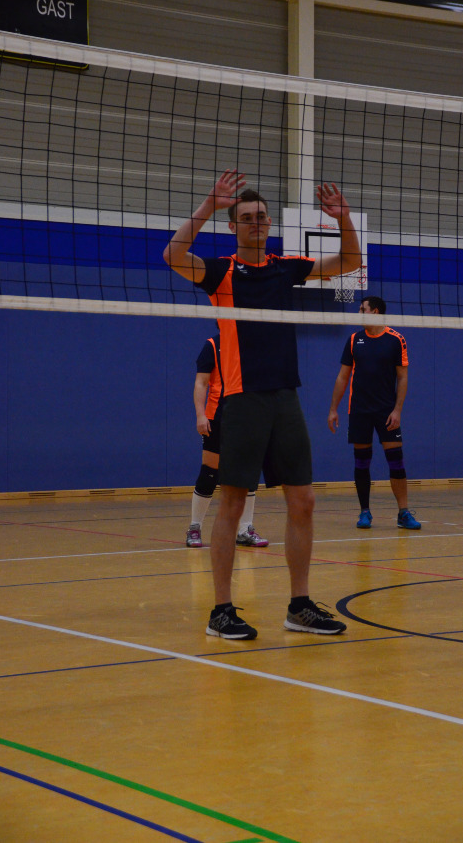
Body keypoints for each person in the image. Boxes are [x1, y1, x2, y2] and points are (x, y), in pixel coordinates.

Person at [164, 168, 362, 639]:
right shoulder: (220, 272)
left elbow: (349, 261)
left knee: (304, 500)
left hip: (284, 397)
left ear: (270, 224)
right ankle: (221, 611)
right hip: (241, 399)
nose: (257, 223)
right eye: (248, 217)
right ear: (233, 226)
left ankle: (299, 607)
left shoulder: (285, 268)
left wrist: (343, 219)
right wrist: (208, 206)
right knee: (232, 503)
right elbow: (173, 256)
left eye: (262, 217)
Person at [327, 295, 421, 530]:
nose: (359, 313)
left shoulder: (396, 339)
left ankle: (403, 513)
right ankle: (365, 512)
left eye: (363, 309)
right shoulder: (353, 340)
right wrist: (333, 409)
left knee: (396, 461)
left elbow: (402, 377)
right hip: (359, 410)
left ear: (375, 311)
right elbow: (342, 377)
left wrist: (397, 410)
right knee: (361, 462)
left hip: (386, 411)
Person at [186, 330, 269, 549]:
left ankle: (245, 530)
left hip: (246, 418)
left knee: (248, 474)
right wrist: (200, 415)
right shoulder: (212, 345)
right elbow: (201, 382)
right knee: (210, 473)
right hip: (218, 418)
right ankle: (195, 527)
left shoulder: (251, 346)